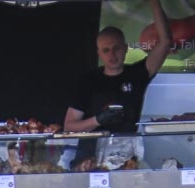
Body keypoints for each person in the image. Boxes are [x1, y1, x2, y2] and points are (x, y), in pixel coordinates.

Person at [64, 0, 171, 171]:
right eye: (106, 50)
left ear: (126, 48)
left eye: (116, 48)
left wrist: (154, 3)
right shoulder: (89, 80)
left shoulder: (137, 74)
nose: (112, 54)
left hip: (126, 157)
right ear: (99, 53)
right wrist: (98, 119)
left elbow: (165, 42)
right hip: (91, 156)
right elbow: (69, 125)